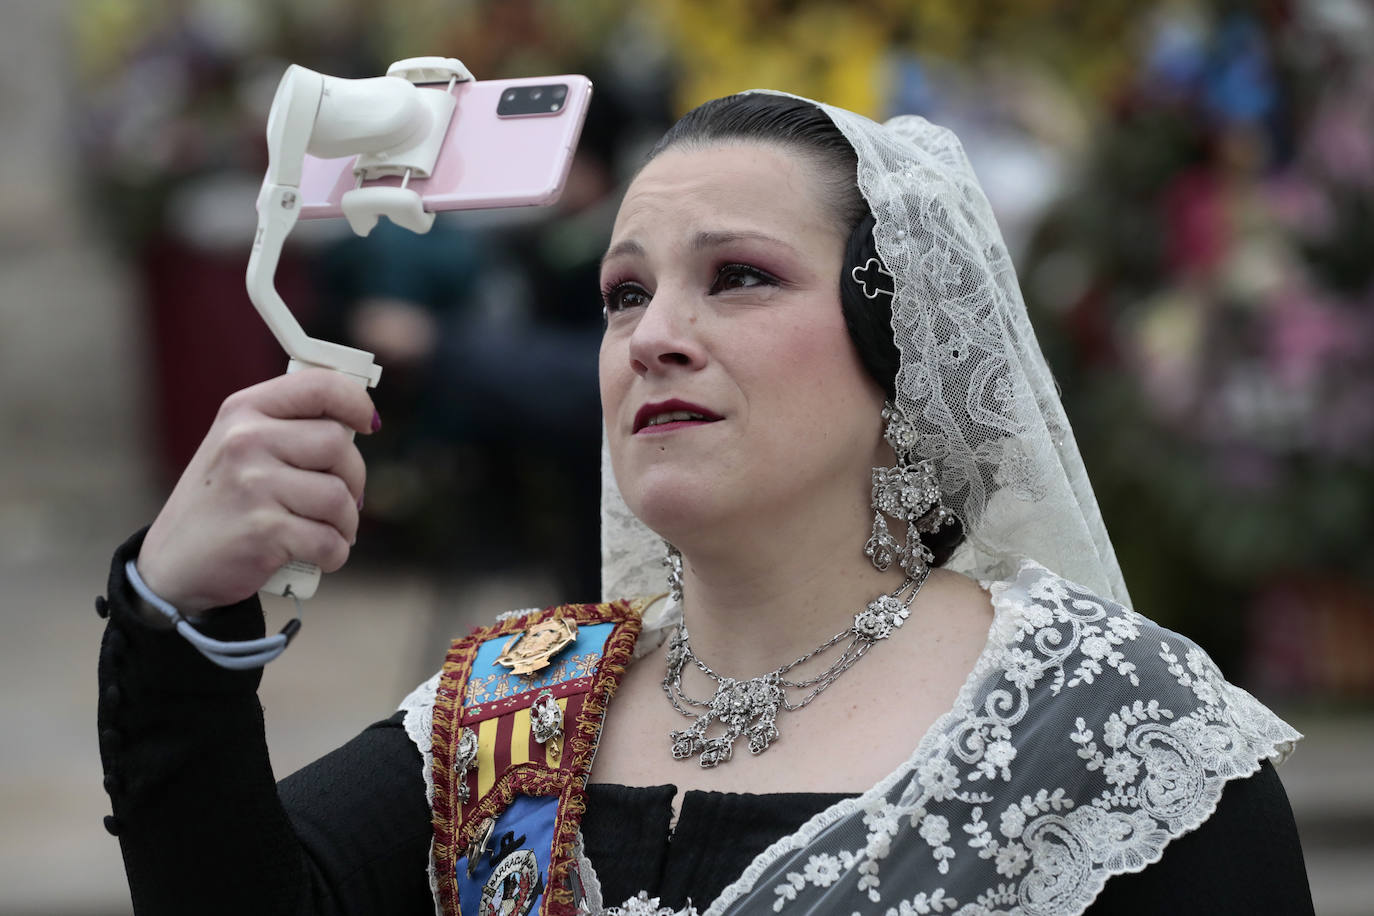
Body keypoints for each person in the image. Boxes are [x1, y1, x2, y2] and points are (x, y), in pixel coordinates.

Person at [95, 92, 1313, 915]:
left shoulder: (1123, 734)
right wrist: (182, 608)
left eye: (738, 278)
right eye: (625, 295)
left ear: (899, 347)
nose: (656, 336)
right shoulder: (511, 704)